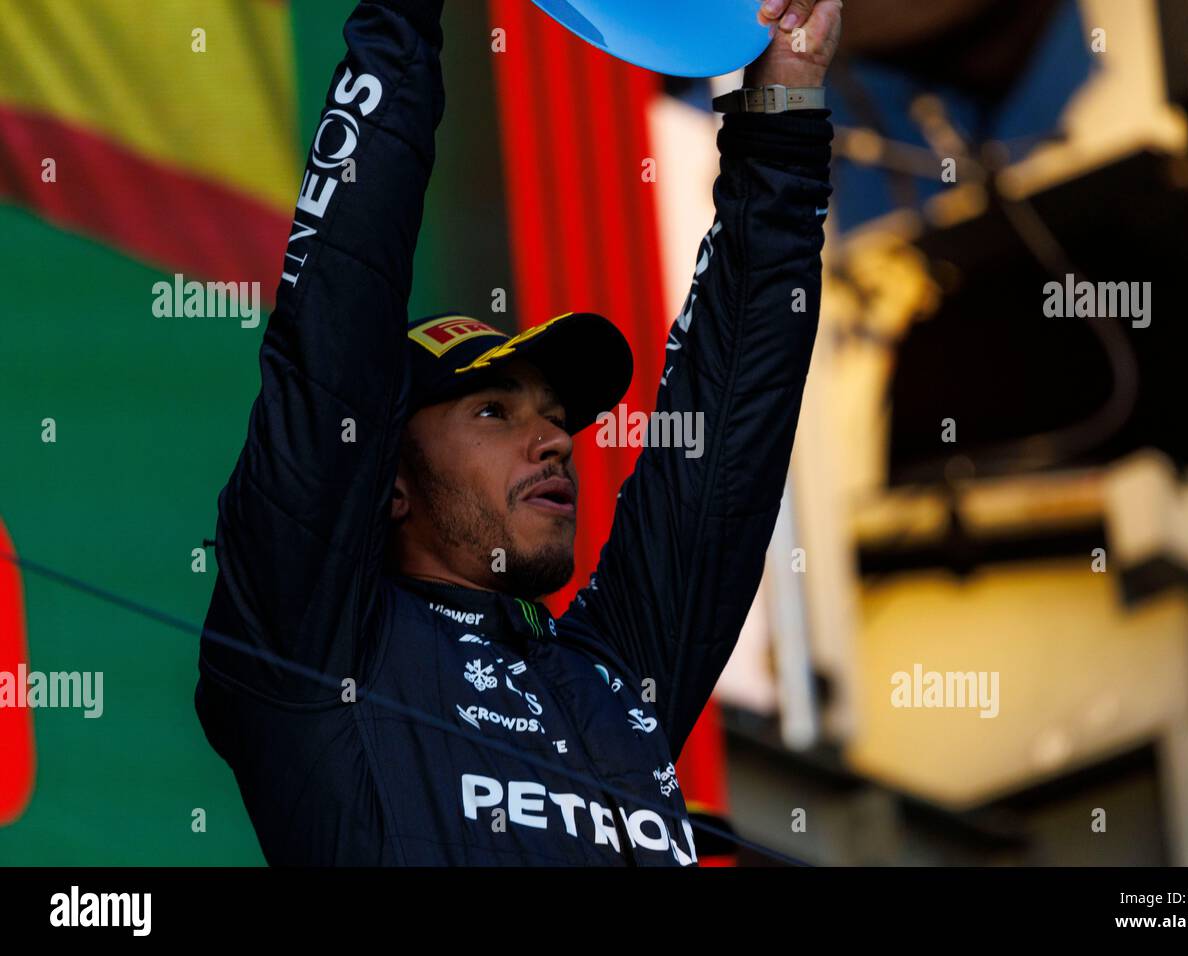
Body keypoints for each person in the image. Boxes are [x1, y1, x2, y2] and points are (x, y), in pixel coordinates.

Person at [196, 0, 841, 865]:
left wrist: (784, 109)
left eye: (555, 417)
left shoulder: (614, 681)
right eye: (494, 411)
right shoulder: (313, 650)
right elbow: (338, 311)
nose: (554, 442)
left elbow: (730, 437)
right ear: (386, 482)